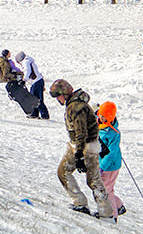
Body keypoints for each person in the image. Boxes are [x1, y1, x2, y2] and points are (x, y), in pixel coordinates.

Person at [49, 79, 114, 220]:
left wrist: (79, 155)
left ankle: (91, 207)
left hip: (84, 148)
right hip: (83, 145)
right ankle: (100, 210)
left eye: (57, 96)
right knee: (86, 178)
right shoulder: (77, 103)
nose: (57, 100)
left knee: (85, 178)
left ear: (64, 94)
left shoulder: (76, 107)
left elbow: (81, 132)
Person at [96, 101, 126, 220]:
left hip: (110, 166)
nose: (100, 118)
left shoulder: (113, 133)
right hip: (104, 163)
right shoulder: (101, 126)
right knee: (109, 189)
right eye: (100, 115)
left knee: (106, 191)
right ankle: (119, 206)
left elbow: (111, 154)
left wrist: (102, 167)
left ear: (109, 117)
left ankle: (112, 215)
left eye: (103, 116)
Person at [15, 51, 49, 119]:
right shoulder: (29, 60)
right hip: (37, 81)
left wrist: (24, 80)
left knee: (37, 99)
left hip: (36, 82)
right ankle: (34, 114)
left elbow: (27, 71)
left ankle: (44, 115)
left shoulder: (26, 62)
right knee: (34, 99)